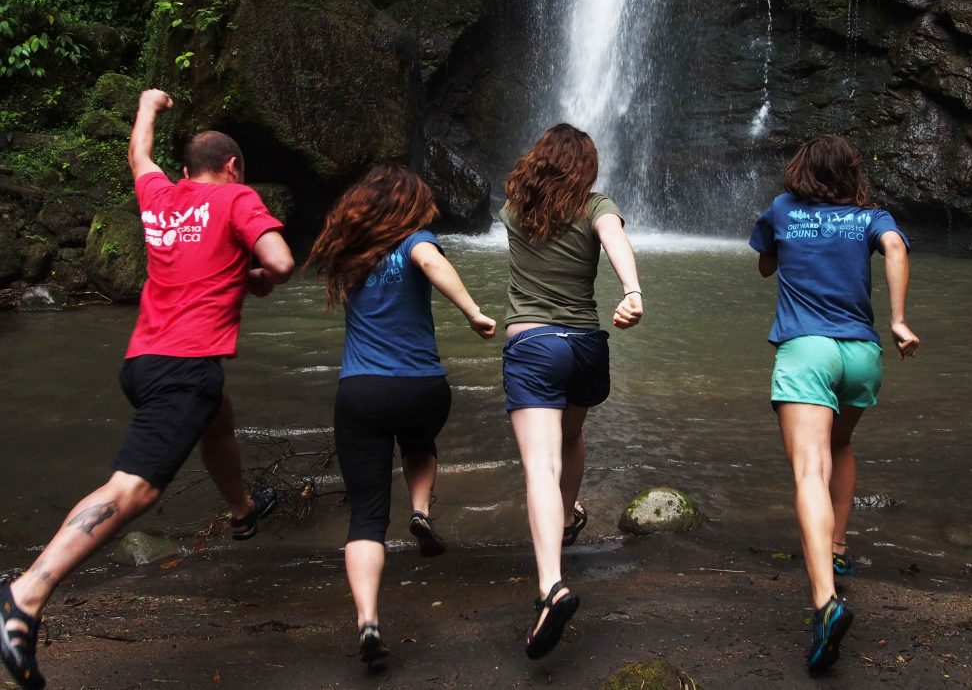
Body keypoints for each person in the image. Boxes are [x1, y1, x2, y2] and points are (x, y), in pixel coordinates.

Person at [0, 89, 295, 690]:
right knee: (133, 489)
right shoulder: (237, 197)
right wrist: (254, 276)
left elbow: (138, 154)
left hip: (144, 359)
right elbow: (283, 262)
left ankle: (242, 510)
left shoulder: (161, 195)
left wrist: (146, 105)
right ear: (233, 166)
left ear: (184, 172)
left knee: (218, 414)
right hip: (184, 366)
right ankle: (24, 596)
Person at [305, 162, 496, 665]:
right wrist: (473, 311)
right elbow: (433, 264)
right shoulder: (417, 241)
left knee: (366, 516)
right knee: (419, 443)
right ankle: (421, 511)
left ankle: (368, 620)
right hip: (422, 388)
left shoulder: (347, 253)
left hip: (362, 391)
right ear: (412, 204)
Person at [749, 134, 920, 674]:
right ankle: (839, 543)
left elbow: (764, 265)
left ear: (799, 170)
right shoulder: (870, 215)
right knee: (841, 445)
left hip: (808, 351)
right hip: (861, 352)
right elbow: (896, 247)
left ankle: (824, 602)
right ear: (850, 173)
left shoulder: (782, 209)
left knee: (808, 470)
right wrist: (897, 319)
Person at [499, 124, 643, 660]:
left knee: (539, 464)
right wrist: (631, 291)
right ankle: (564, 518)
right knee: (572, 435)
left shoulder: (514, 208)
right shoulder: (595, 204)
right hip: (584, 344)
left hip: (534, 343)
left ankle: (551, 585)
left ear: (538, 160)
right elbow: (614, 238)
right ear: (586, 167)